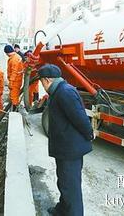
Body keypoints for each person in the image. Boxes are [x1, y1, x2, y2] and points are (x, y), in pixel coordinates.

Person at [38, 64, 94, 216]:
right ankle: (63, 209)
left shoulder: (65, 92)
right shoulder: (58, 91)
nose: (42, 86)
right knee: (64, 182)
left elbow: (80, 118)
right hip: (64, 148)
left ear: (47, 80)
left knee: (71, 187)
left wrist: (89, 134)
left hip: (71, 150)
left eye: (42, 82)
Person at [4, 45, 23, 111]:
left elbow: (14, 72)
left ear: (7, 53)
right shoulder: (16, 57)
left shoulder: (14, 59)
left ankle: (15, 111)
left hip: (15, 81)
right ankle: (15, 109)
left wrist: (11, 82)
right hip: (17, 80)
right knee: (15, 96)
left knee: (14, 97)